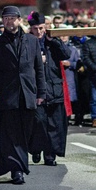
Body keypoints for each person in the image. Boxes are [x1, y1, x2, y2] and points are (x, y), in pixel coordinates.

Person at [0, 6, 46, 185]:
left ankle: (25, 158)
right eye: (6, 18)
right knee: (11, 134)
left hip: (28, 94)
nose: (9, 22)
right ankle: (17, 169)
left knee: (27, 131)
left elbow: (38, 70)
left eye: (12, 18)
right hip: (8, 95)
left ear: (20, 20)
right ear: (2, 21)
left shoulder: (31, 41)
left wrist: (41, 93)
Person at [27, 12, 70, 166]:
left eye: (40, 28)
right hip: (36, 90)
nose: (38, 32)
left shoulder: (52, 42)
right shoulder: (27, 42)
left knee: (54, 124)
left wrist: (55, 41)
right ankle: (36, 149)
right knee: (38, 123)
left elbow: (66, 54)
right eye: (35, 28)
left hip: (54, 88)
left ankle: (50, 155)